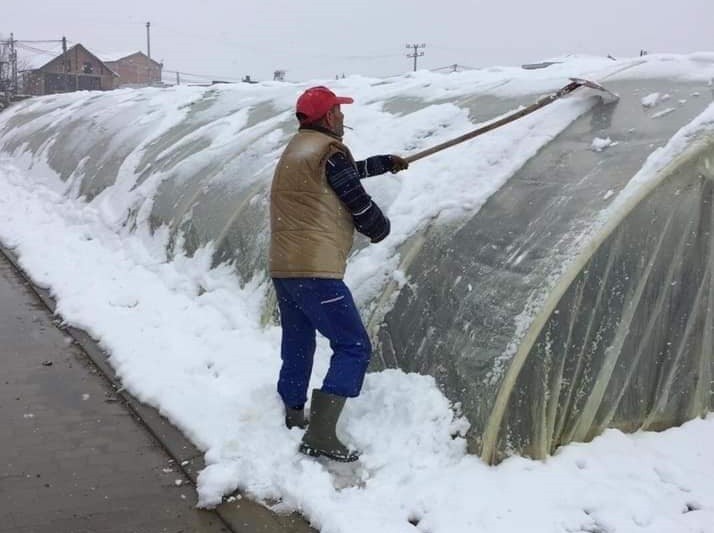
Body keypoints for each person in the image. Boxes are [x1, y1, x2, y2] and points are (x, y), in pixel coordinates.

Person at [269, 86, 409, 462]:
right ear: (329, 116)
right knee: (354, 345)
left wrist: (382, 163)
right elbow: (355, 199)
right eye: (339, 111)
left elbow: (342, 176)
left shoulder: (299, 150)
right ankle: (321, 435)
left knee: (299, 341)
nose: (343, 117)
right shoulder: (329, 153)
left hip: (285, 267)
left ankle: (294, 413)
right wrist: (380, 227)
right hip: (316, 269)